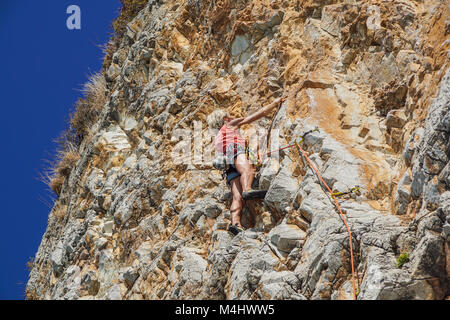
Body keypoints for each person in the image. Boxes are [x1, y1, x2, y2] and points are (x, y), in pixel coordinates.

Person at [207, 96, 286, 235]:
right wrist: (274, 103)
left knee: (237, 197)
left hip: (228, 166)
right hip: (235, 151)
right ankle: (248, 189)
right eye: (228, 115)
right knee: (247, 170)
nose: (231, 116)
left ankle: (235, 223)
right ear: (224, 119)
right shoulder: (229, 126)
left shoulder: (218, 137)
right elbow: (256, 115)